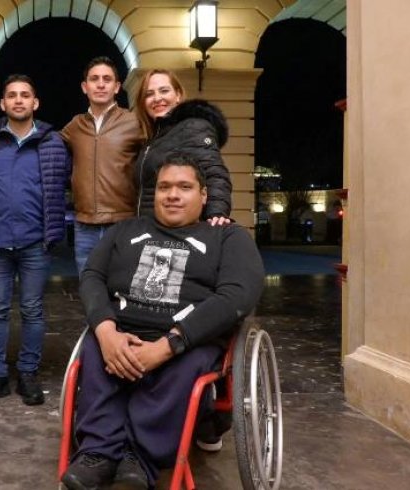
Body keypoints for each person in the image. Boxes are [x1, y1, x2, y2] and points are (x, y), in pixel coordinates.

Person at [61, 154, 264, 490]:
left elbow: (237, 295)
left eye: (184, 187)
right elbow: (93, 275)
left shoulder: (228, 238)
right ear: (153, 194)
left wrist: (170, 344)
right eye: (164, 187)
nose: (172, 195)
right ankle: (98, 452)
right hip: (122, 329)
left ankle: (140, 457)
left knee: (188, 363)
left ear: (203, 195)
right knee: (94, 349)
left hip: (189, 337)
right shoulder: (124, 230)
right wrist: (106, 330)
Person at [0, 74, 70, 407]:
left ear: (35, 102)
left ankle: (28, 373)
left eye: (25, 95)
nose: (18, 100)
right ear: (2, 103)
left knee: (32, 309)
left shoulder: (53, 142)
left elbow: (66, 182)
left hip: (35, 242)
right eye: (12, 95)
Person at [61, 56, 144, 273]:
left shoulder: (134, 122)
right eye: (94, 79)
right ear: (84, 87)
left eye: (107, 79)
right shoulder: (75, 126)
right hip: (84, 226)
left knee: (123, 288)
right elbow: (49, 150)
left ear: (117, 87)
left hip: (123, 223)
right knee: (89, 287)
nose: (100, 84)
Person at [134, 69, 232, 226]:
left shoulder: (193, 126)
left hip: (176, 230)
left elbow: (214, 172)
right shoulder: (154, 138)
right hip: (150, 228)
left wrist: (216, 213)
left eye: (164, 91)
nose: (157, 98)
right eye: (149, 94)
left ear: (178, 95)